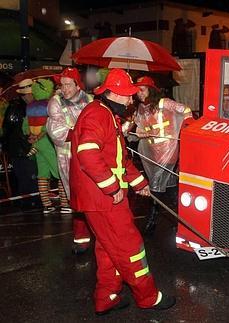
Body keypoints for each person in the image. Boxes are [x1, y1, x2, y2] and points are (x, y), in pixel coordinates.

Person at [69, 69, 175, 315]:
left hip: (102, 198)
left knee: (108, 249)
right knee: (130, 248)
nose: (131, 100)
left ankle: (107, 297)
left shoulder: (106, 115)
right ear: (114, 93)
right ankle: (148, 298)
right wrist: (112, 186)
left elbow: (120, 160)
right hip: (104, 199)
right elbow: (87, 154)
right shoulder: (98, 115)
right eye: (128, 95)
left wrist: (140, 183)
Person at [133, 76, 191, 234]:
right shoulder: (141, 108)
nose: (139, 93)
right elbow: (141, 128)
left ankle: (152, 220)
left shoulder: (164, 103)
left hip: (167, 153)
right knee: (171, 188)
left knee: (155, 188)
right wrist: (138, 132)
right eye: (137, 90)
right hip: (153, 154)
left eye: (142, 90)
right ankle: (184, 221)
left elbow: (185, 110)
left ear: (151, 90)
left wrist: (187, 126)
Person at [47, 67, 94, 253]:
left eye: (68, 84)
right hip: (67, 157)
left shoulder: (90, 101)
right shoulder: (55, 102)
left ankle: (98, 233)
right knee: (75, 197)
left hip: (89, 155)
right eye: (61, 85)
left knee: (92, 195)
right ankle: (81, 238)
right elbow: (57, 131)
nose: (64, 88)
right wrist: (81, 131)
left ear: (77, 84)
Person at [23, 78, 66, 214]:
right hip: (48, 142)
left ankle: (46, 204)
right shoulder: (49, 105)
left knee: (42, 174)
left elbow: (25, 126)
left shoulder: (30, 106)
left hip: (37, 145)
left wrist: (32, 136)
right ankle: (65, 203)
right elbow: (50, 125)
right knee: (60, 172)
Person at [1, 79, 40, 209]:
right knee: (27, 177)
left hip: (25, 148)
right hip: (20, 149)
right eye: (28, 94)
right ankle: (27, 203)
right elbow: (10, 130)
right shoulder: (17, 107)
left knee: (29, 177)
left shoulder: (31, 107)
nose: (30, 96)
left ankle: (28, 202)